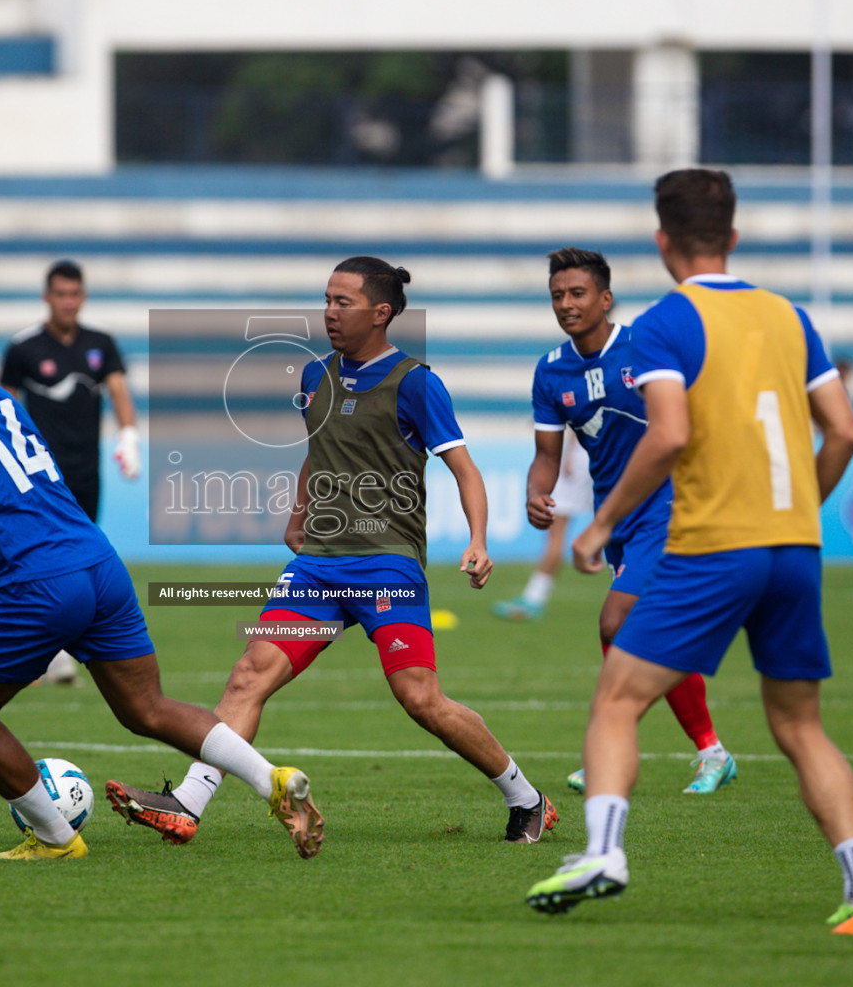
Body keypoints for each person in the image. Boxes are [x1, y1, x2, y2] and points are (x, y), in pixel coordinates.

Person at [526, 171, 853, 935]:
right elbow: (846, 432)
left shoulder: (667, 323)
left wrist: (601, 524)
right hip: (793, 546)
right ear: (734, 237)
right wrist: (802, 507)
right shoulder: (789, 316)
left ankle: (603, 853)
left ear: (662, 241)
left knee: (616, 698)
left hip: (712, 541)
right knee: (802, 727)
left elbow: (668, 435)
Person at [0, 295, 324, 861]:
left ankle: (56, 838)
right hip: (98, 564)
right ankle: (270, 778)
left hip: (39, 582)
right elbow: (33, 491)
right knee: (147, 708)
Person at [104, 256, 557, 847]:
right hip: (318, 565)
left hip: (387, 564)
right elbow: (319, 452)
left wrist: (477, 539)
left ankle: (527, 798)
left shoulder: (416, 382)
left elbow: (465, 471)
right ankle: (188, 803)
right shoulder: (314, 375)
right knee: (247, 678)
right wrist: (298, 514)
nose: (329, 312)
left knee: (420, 698)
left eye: (343, 302)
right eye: (326, 299)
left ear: (382, 312)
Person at [523, 247, 734, 797]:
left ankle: (611, 749)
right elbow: (548, 454)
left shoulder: (646, 346)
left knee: (616, 621)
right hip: (614, 513)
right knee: (646, 632)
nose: (566, 305)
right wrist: (535, 493)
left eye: (577, 293)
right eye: (557, 296)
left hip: (672, 504)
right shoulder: (550, 372)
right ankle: (709, 751)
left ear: (605, 298)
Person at [0, 260, 141, 685]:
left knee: (78, 555)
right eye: (60, 294)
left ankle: (59, 646)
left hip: (85, 467)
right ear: (47, 296)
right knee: (43, 555)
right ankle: (51, 649)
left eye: (74, 294)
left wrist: (129, 437)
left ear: (83, 296)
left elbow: (118, 391)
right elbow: (3, 407)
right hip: (40, 473)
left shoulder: (101, 343)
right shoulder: (24, 347)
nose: (68, 302)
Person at [490, 427, 590, 622]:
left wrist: (570, 453)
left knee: (556, 531)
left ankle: (533, 599)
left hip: (579, 457)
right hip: (596, 454)